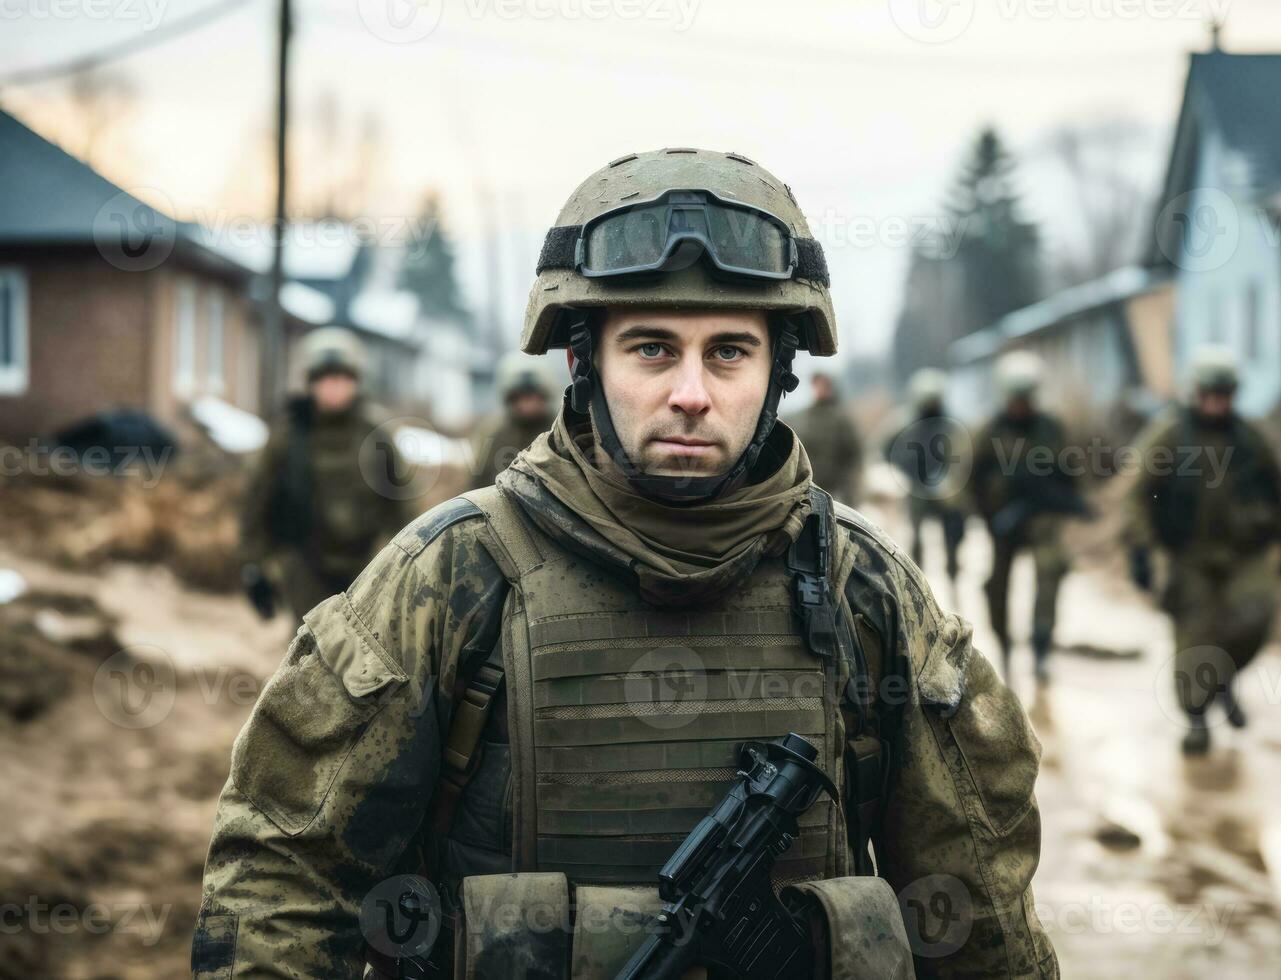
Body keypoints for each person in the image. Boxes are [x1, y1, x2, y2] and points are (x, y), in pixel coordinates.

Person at [194, 149, 1056, 980]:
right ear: (584, 363)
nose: (691, 391)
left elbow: (977, 909)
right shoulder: (451, 578)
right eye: (651, 348)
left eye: (729, 351)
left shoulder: (863, 586)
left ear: (777, 372)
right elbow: (286, 878)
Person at [1124, 346, 1281, 755]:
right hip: (1190, 554)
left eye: (1224, 395)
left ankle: (1224, 678)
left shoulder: (1252, 437)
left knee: (1257, 616)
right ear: (1195, 393)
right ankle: (1197, 719)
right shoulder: (1169, 435)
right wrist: (1140, 549)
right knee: (1195, 638)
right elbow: (1137, 495)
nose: (1217, 403)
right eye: (1209, 394)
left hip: (1244, 552)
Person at [237, 327, 412, 624]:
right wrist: (254, 565)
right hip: (305, 561)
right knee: (312, 645)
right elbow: (258, 499)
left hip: (366, 560)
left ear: (355, 382)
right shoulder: (290, 434)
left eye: (342, 380)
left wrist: (409, 558)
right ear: (312, 384)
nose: (334, 388)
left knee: (367, 647)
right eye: (326, 380)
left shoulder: (375, 432)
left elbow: (402, 500)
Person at [972, 351, 1087, 682]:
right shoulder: (989, 431)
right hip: (1002, 523)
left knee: (1051, 571)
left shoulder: (1051, 429)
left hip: (1042, 520)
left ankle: (1041, 648)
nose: (1021, 405)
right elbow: (968, 479)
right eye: (1015, 398)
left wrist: (1063, 500)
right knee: (996, 586)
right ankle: (1004, 646)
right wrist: (984, 516)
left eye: (1026, 398)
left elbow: (1070, 473)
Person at [888, 369, 972, 593]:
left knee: (953, 533)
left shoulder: (951, 424)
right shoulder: (905, 424)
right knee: (916, 536)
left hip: (947, 489)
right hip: (918, 487)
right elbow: (886, 445)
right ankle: (917, 578)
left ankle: (953, 573)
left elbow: (963, 452)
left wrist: (953, 479)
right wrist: (903, 469)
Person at [468, 356, 556, 487]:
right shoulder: (495, 434)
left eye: (533, 396)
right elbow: (479, 480)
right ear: (512, 399)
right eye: (522, 397)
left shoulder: (558, 430)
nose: (528, 404)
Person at [787, 370, 864, 504]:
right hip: (808, 487)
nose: (819, 389)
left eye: (823, 385)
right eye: (816, 385)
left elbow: (853, 457)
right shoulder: (804, 418)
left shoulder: (842, 419)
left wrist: (850, 495)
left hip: (835, 490)